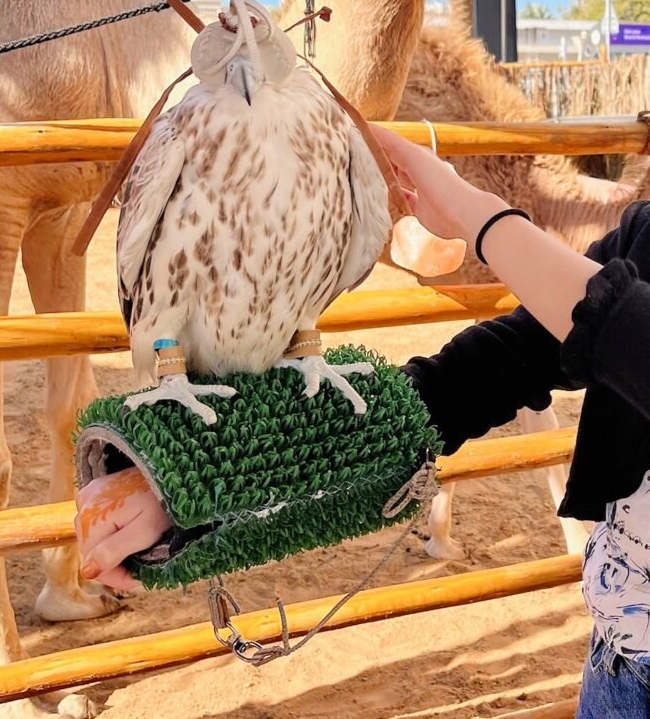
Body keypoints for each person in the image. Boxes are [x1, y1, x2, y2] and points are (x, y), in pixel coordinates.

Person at [75, 128, 650, 718]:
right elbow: (481, 375)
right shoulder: (646, 233)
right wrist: (189, 475)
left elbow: (626, 337)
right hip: (621, 653)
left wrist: (486, 223)